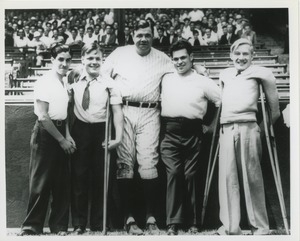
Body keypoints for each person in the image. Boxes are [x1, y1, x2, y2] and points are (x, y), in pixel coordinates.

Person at [101, 20, 174, 235]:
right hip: (124, 111)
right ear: (133, 35)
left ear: (154, 36)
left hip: (150, 111)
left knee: (148, 162)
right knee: (125, 164)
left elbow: (180, 69)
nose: (143, 39)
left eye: (147, 35)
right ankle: (129, 218)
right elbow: (102, 74)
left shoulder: (162, 58)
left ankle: (151, 217)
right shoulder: (119, 53)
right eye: (139, 35)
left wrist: (197, 66)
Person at [217, 39, 280, 235]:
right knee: (228, 179)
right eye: (237, 54)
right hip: (226, 128)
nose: (241, 58)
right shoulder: (224, 74)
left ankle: (260, 227)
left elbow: (275, 111)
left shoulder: (263, 73)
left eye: (246, 54)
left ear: (253, 56)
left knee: (252, 177)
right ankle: (230, 227)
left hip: (249, 127)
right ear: (231, 55)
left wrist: (261, 128)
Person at [160, 40, 221, 235]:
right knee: (174, 174)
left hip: (193, 131)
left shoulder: (203, 81)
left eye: (183, 58)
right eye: (175, 59)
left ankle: (194, 221)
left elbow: (221, 101)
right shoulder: (166, 78)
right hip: (169, 131)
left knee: (190, 175)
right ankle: (172, 222)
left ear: (191, 57)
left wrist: (211, 126)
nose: (179, 62)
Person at [18, 43, 76, 236]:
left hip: (60, 133)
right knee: (40, 183)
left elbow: (64, 113)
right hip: (45, 134)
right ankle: (31, 227)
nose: (65, 63)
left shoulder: (64, 81)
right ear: (52, 60)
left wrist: (67, 135)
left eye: (68, 60)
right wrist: (61, 140)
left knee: (61, 183)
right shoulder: (44, 81)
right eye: (60, 59)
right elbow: (43, 116)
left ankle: (59, 227)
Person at [69, 42, 123, 234]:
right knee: (79, 177)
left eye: (97, 58)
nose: (93, 62)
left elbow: (117, 112)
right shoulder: (73, 78)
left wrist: (118, 138)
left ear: (103, 60)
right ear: (82, 59)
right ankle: (79, 224)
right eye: (90, 58)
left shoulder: (110, 83)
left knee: (102, 178)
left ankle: (99, 223)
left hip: (102, 130)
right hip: (80, 131)